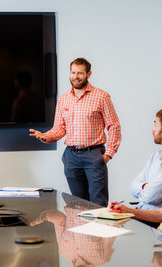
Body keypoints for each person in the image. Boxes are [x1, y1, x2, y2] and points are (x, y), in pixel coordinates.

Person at [30, 58, 121, 206]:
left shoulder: (101, 96)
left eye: (80, 73)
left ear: (88, 74)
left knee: (98, 203)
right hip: (71, 157)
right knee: (77, 203)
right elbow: (60, 128)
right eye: (73, 72)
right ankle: (80, 229)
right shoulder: (64, 98)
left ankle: (99, 229)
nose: (76, 76)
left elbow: (114, 126)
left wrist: (108, 154)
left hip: (94, 155)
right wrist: (45, 136)